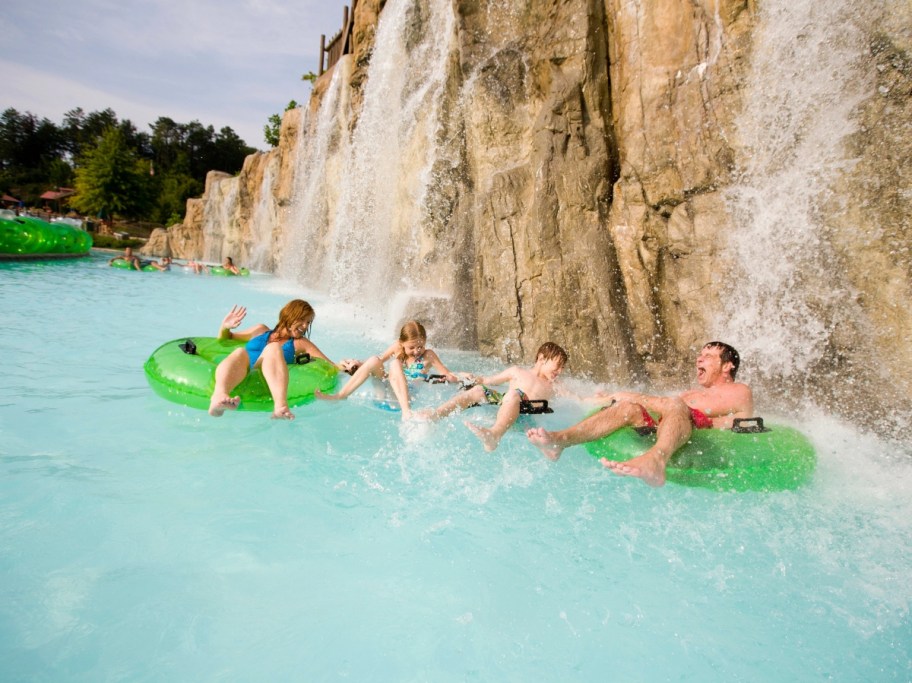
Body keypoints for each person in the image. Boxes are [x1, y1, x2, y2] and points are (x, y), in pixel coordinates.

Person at [526, 341, 753, 487]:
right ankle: (560, 441)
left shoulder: (738, 390)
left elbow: (695, 412)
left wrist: (637, 396)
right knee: (628, 409)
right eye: (700, 354)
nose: (699, 359)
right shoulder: (691, 392)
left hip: (694, 434)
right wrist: (619, 399)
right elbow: (663, 407)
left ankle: (656, 461)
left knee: (671, 403)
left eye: (709, 356)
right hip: (666, 427)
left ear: (727, 366)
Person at [208, 300, 358, 420]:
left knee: (273, 348)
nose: (305, 326)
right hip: (242, 371)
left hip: (264, 377)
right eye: (302, 320)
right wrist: (225, 326)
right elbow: (226, 339)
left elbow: (329, 365)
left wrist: (349, 367)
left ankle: (280, 407)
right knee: (239, 351)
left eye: (308, 322)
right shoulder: (260, 330)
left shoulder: (300, 343)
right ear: (289, 315)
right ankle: (219, 397)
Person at [421, 342, 569, 451]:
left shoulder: (555, 385)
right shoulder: (517, 371)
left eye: (562, 367)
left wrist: (592, 400)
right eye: (558, 365)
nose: (560, 371)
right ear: (542, 358)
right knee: (479, 390)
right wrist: (464, 376)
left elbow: (576, 399)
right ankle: (436, 415)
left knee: (513, 393)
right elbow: (487, 380)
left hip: (526, 415)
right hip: (507, 405)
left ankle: (494, 434)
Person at [316, 321, 458, 420]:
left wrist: (451, 378)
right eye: (412, 348)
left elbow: (447, 373)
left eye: (420, 346)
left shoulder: (429, 355)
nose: (417, 351)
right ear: (402, 343)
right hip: (384, 393)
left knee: (395, 363)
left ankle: (406, 412)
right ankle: (341, 395)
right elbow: (380, 360)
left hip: (405, 396)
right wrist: (357, 363)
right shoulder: (397, 347)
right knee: (374, 360)